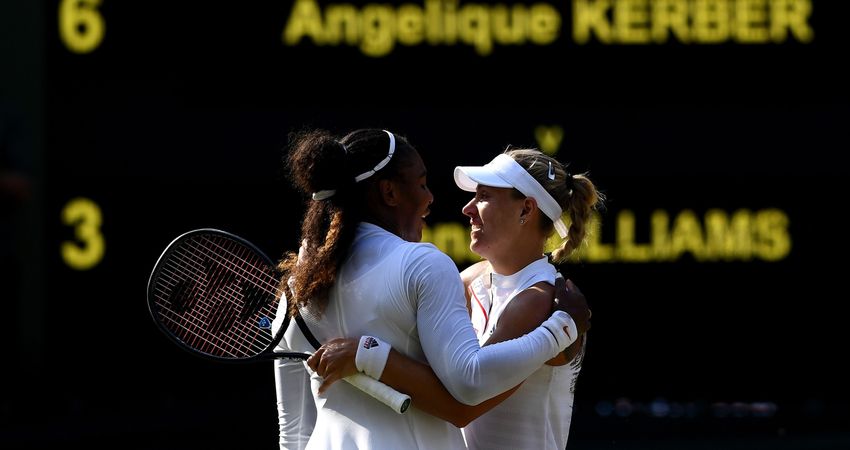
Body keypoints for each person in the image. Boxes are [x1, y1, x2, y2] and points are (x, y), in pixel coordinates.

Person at [271, 128, 590, 450]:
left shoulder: (543, 300)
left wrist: (366, 355)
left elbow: (462, 406)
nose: (466, 208)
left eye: (483, 197)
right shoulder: (464, 280)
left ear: (525, 210)